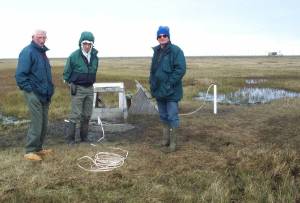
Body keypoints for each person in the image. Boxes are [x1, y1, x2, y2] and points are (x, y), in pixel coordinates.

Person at [15, 30, 54, 161]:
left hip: (45, 94)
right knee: (37, 122)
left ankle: (38, 149)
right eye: (39, 37)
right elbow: (20, 75)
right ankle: (30, 150)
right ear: (33, 38)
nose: (42, 40)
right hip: (34, 93)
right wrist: (29, 91)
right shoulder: (28, 52)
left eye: (43, 37)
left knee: (43, 122)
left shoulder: (42, 53)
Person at [149, 26, 186, 152]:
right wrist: (152, 84)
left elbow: (180, 69)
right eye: (160, 36)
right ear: (157, 38)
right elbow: (153, 71)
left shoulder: (176, 51)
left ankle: (173, 144)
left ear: (168, 37)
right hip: (159, 91)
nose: (162, 38)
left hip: (171, 91)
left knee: (172, 116)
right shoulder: (156, 52)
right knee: (163, 116)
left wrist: (169, 83)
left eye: (165, 35)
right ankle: (165, 141)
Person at [63, 31, 99, 145]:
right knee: (75, 114)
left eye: (89, 44)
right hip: (78, 88)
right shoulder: (73, 56)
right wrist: (71, 85)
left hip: (90, 89)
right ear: (81, 44)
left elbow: (94, 71)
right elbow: (66, 75)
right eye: (85, 43)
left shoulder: (95, 57)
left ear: (92, 44)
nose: (87, 46)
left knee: (87, 114)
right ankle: (70, 140)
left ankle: (84, 138)